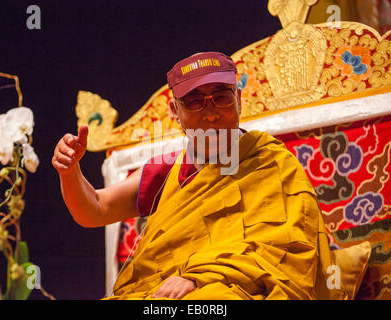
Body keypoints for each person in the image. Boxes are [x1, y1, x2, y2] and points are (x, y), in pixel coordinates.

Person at [52, 51, 345, 300]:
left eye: (221, 97)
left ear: (239, 99)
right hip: (161, 293)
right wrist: (69, 172)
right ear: (175, 111)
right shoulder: (169, 170)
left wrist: (200, 277)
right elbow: (94, 210)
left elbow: (291, 247)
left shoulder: (271, 162)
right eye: (194, 101)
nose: (211, 113)